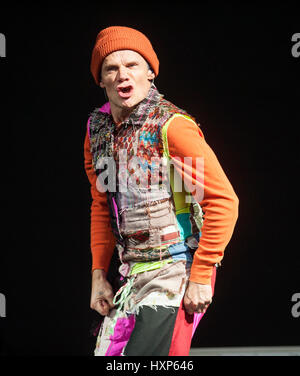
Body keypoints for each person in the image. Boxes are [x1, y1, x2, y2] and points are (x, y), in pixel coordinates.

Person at [84, 26, 239, 356]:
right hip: (132, 275)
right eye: (111, 68)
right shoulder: (97, 129)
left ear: (151, 72)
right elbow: (102, 205)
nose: (122, 75)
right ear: (101, 79)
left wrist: (200, 275)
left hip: (176, 271)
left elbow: (223, 201)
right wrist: (99, 275)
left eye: (133, 65)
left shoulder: (172, 126)